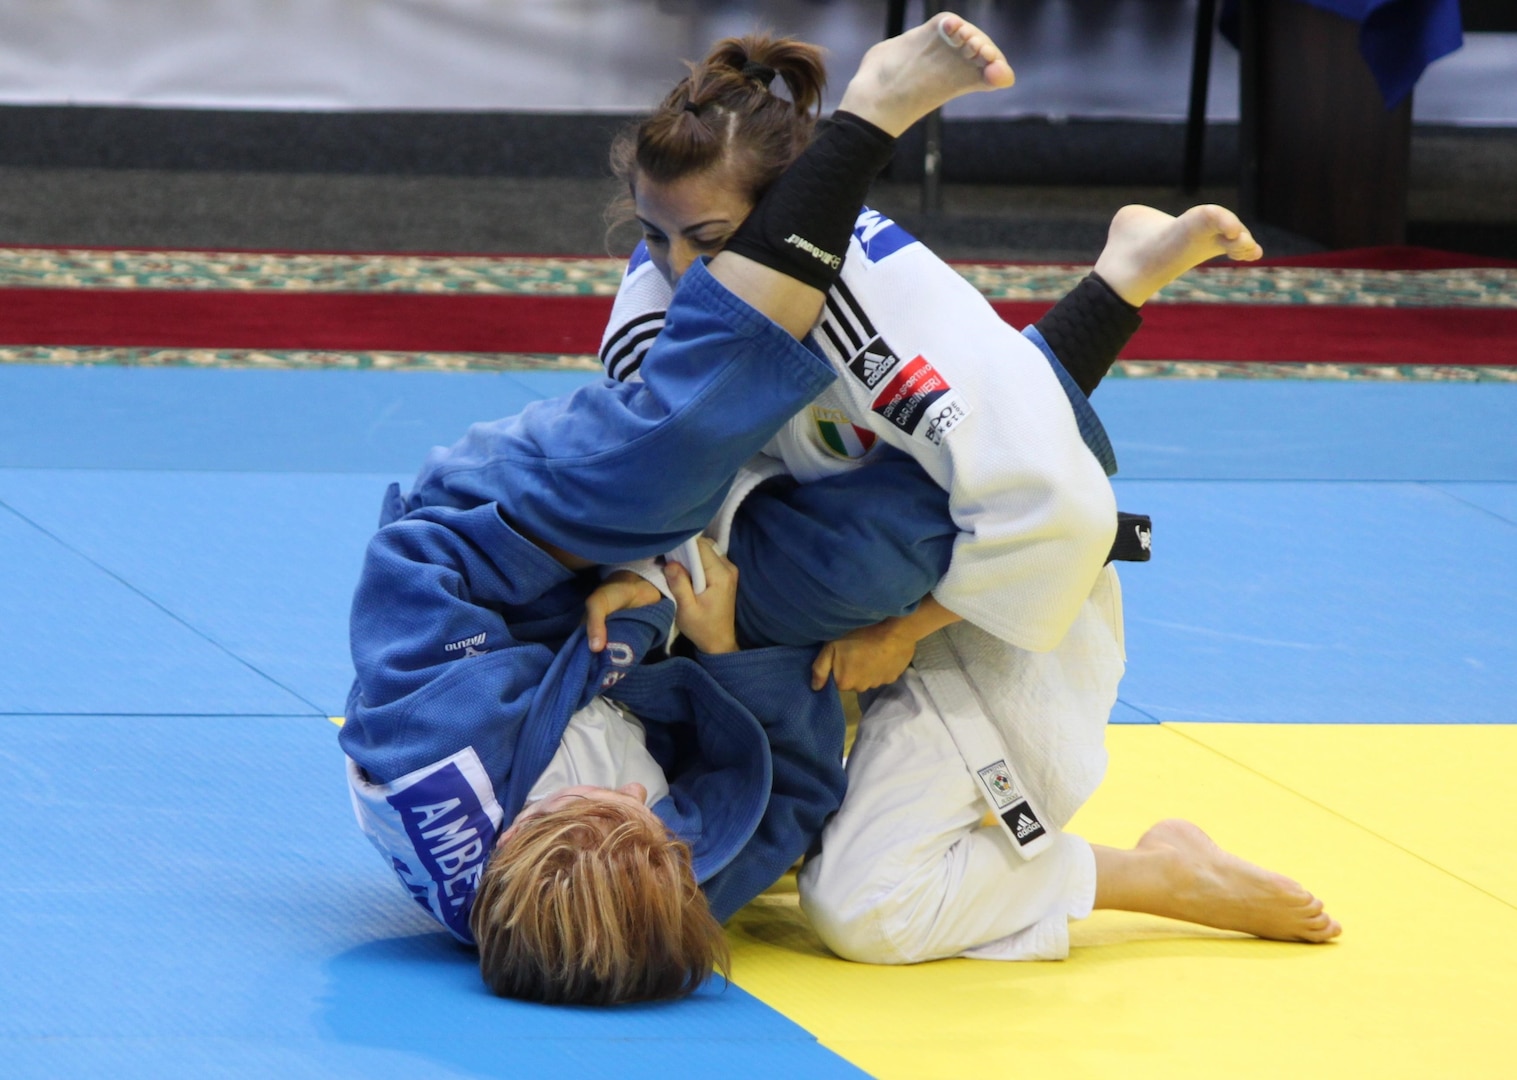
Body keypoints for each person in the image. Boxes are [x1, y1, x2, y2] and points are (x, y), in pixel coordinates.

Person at [593, 23, 1342, 965]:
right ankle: (1119, 280)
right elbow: (647, 465)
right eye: (652, 237)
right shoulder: (658, 294)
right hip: (824, 601)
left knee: (865, 908)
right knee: (719, 826)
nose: (676, 270)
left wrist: (905, 631)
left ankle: (1159, 874)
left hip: (981, 611)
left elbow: (1055, 508)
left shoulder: (891, 318)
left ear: (794, 208)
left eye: (707, 240)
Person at [340, 12, 1021, 1005]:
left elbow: (415, 578)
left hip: (516, 542)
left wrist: (604, 567)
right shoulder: (667, 887)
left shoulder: (432, 773)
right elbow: (786, 795)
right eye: (648, 822)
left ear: (519, 838)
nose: (632, 795)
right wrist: (727, 649)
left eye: (592, 809)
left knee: (654, 473)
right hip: (694, 632)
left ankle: (860, 128)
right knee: (896, 550)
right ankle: (1056, 385)